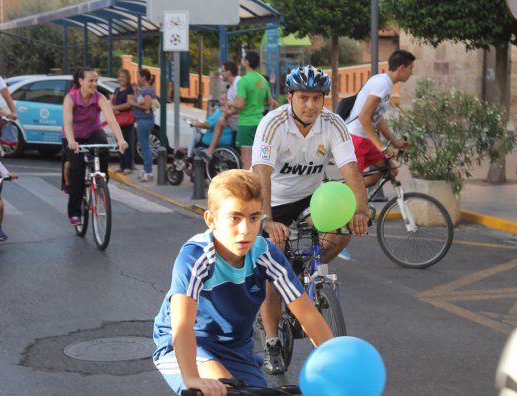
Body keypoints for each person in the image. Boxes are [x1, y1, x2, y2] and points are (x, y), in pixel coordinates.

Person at [153, 169, 333, 396]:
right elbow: (182, 326)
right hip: (187, 345)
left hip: (237, 348)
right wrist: (191, 378)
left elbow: (307, 314)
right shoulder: (195, 258)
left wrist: (335, 362)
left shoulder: (265, 254)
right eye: (234, 218)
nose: (245, 230)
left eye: (254, 218)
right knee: (221, 387)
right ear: (211, 220)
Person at [251, 65, 370, 375]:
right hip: (273, 202)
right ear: (289, 97)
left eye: (317, 98)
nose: (310, 105)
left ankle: (302, 273)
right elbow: (261, 173)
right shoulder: (272, 124)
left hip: (310, 200)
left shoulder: (332, 123)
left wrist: (361, 211)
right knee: (272, 270)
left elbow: (350, 170)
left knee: (340, 234)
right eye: (303, 98)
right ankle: (273, 341)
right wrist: (266, 219)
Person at [62, 66, 128, 226]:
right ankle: (75, 213)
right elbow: (67, 122)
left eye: (96, 80)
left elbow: (111, 119)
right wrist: (71, 141)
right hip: (73, 136)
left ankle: (100, 183)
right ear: (81, 81)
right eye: (91, 80)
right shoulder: (71, 98)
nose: (94, 84)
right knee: (77, 170)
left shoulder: (99, 97)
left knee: (104, 147)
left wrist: (120, 140)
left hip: (92, 132)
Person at [345, 49, 415, 186]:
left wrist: (395, 142)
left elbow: (377, 119)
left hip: (365, 139)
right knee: (355, 185)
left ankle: (354, 191)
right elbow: (363, 116)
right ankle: (346, 194)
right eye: (410, 68)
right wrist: (382, 147)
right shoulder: (382, 83)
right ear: (401, 68)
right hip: (355, 139)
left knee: (391, 170)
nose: (411, 73)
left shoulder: (386, 84)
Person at [232, 51, 277, 170]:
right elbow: (270, 102)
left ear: (247, 62)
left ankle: (249, 187)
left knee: (246, 158)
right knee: (260, 158)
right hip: (260, 124)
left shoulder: (243, 81)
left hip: (246, 124)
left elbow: (240, 104)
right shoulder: (263, 80)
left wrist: (229, 102)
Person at [203, 60, 241, 161]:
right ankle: (211, 150)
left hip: (241, 117)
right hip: (236, 117)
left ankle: (210, 150)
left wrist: (227, 111)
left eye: (223, 71)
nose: (221, 74)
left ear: (229, 72)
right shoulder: (232, 86)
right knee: (221, 117)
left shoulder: (238, 83)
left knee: (220, 120)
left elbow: (239, 104)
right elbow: (229, 104)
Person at [129, 69, 156, 182]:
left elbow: (147, 106)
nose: (137, 79)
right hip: (141, 120)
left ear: (144, 77)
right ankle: (146, 170)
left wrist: (133, 103)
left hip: (145, 120)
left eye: (139, 77)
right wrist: (135, 92)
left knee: (145, 146)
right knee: (144, 145)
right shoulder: (143, 90)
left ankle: (148, 171)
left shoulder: (148, 90)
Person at [111, 68, 135, 174]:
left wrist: (116, 108)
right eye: (120, 77)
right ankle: (121, 165)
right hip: (117, 120)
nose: (121, 79)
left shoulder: (129, 90)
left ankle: (128, 166)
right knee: (118, 142)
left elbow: (129, 104)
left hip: (126, 121)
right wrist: (113, 108)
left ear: (128, 78)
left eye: (123, 77)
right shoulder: (117, 90)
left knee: (126, 142)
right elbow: (111, 102)